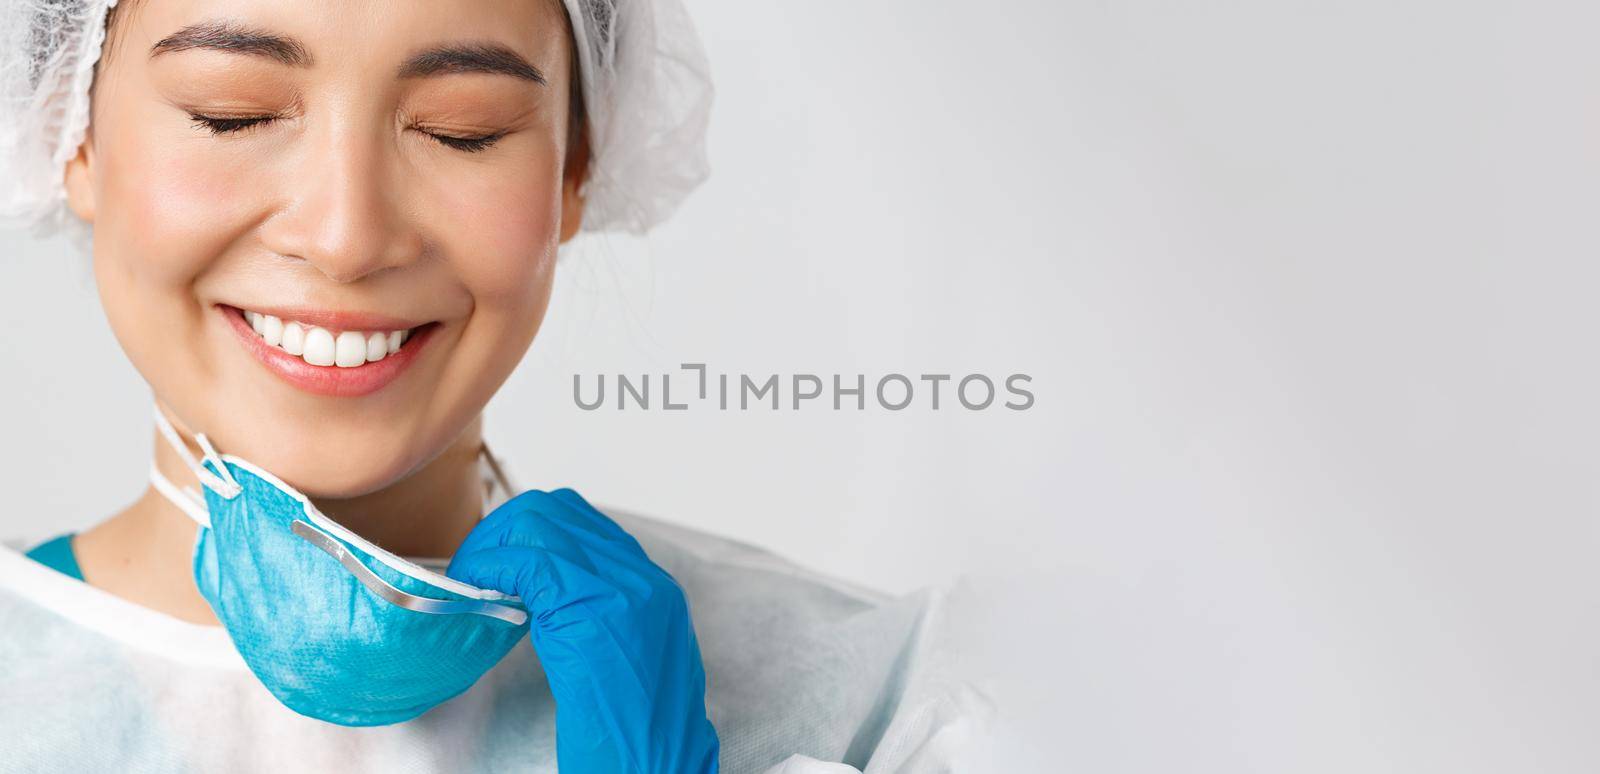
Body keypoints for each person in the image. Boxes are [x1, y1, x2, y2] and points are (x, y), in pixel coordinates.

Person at [0, 1, 990, 772]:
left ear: (575, 169)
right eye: (233, 113)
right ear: (70, 131)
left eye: (461, 129)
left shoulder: (881, 704)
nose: (345, 236)